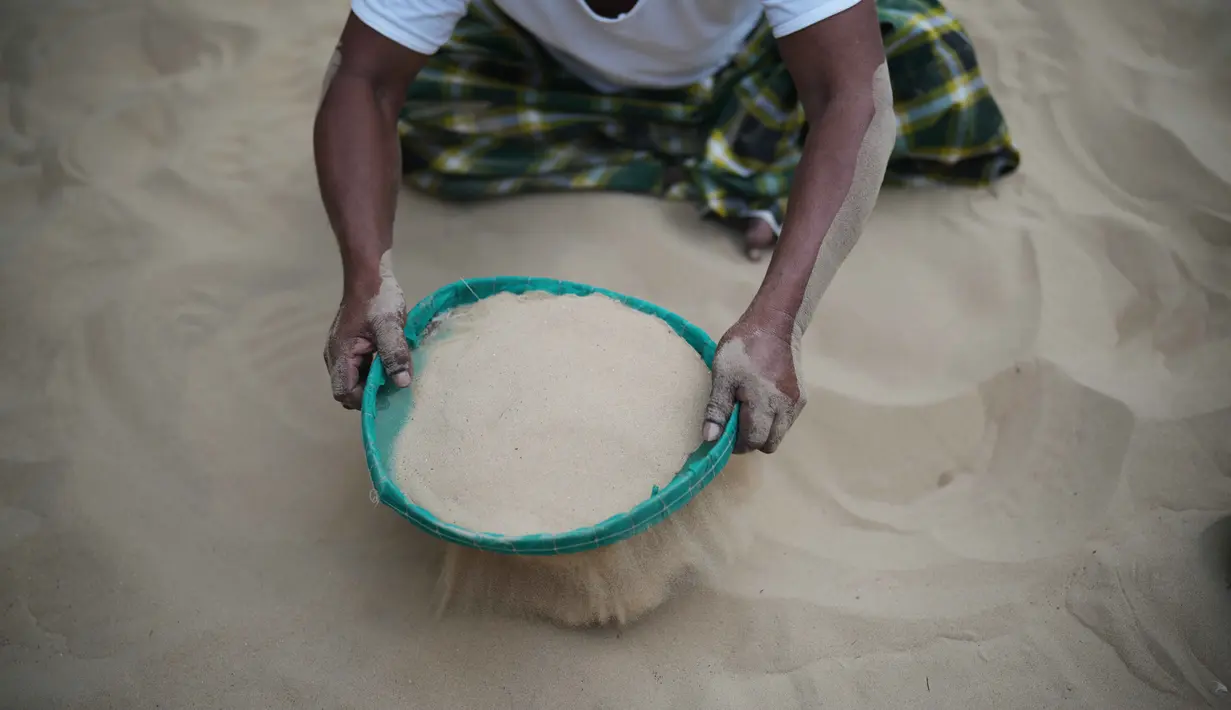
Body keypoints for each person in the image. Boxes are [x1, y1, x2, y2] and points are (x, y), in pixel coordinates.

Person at [315, 0, 1018, 454]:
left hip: (750, 62)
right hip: (555, 67)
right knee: (430, 124)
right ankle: (730, 161)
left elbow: (847, 97)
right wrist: (364, 280)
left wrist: (779, 322)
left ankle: (720, 154)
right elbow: (365, 81)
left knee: (924, 55)